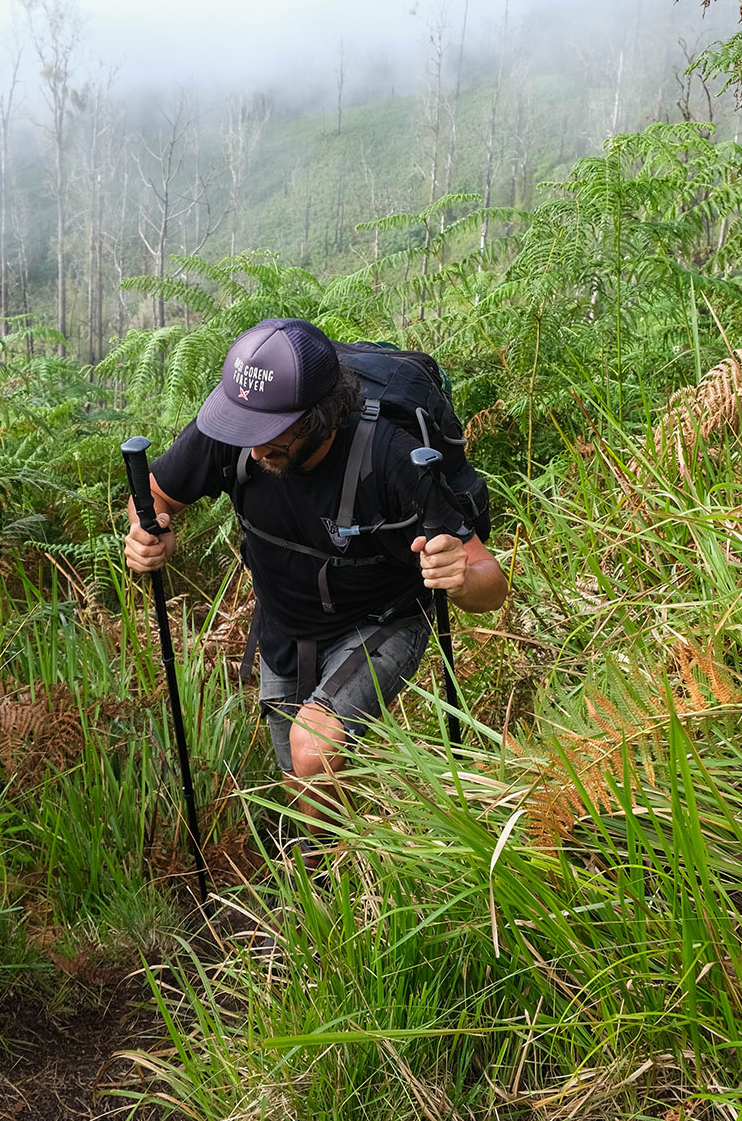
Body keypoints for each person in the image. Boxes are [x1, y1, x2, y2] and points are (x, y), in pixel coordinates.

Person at [123, 317, 507, 842]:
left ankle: (339, 894)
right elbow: (155, 497)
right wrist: (151, 535)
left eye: (270, 437)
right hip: (285, 625)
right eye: (245, 433)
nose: (254, 450)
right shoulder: (234, 431)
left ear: (321, 417)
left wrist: (459, 578)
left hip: (382, 618)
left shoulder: (387, 454)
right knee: (302, 787)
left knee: (314, 748)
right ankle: (335, 880)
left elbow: (491, 582)